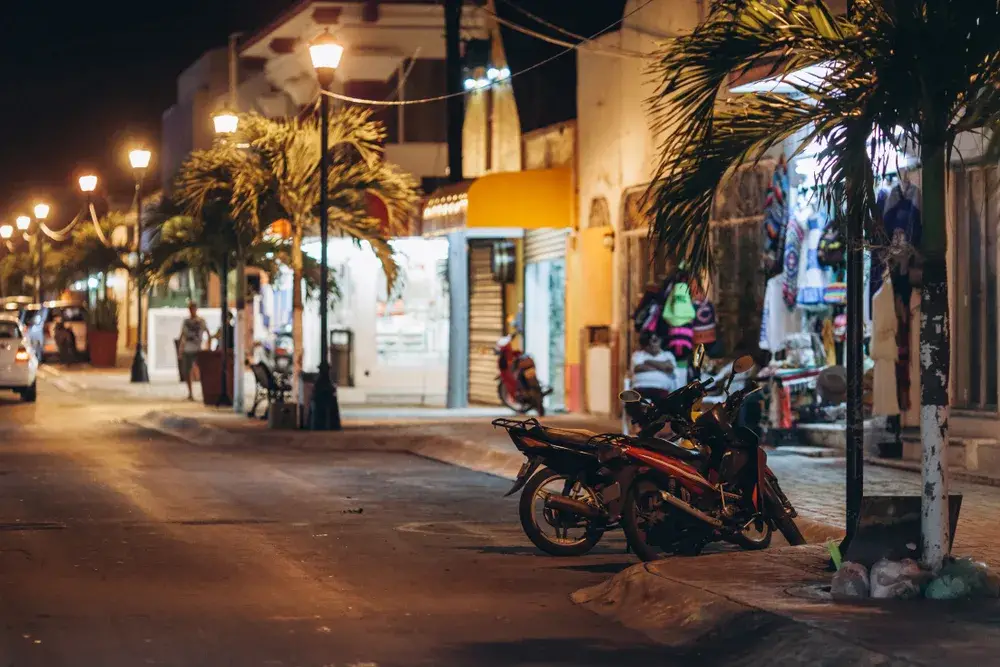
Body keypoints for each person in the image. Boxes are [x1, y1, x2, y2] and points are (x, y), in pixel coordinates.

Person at [179, 301, 209, 400]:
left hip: (198, 348)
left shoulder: (201, 321)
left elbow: (207, 333)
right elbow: (182, 336)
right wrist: (180, 349)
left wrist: (208, 346)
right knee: (187, 372)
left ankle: (204, 391)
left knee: (203, 371)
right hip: (188, 348)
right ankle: (190, 393)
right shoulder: (186, 322)